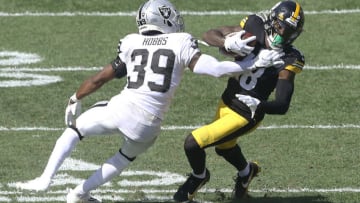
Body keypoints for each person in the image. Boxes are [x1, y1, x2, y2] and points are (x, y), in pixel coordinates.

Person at [15, 0, 284, 202]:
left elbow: (101, 78)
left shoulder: (132, 42)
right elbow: (214, 69)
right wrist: (252, 62)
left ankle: (45, 179)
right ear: (164, 17)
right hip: (149, 125)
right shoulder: (180, 41)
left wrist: (76, 96)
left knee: (75, 130)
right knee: (124, 157)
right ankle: (78, 195)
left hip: (122, 108)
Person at [173, 0, 305, 202]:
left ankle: (198, 177)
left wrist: (259, 104)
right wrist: (226, 42)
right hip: (227, 100)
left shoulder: (289, 58)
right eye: (280, 27)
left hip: (246, 114)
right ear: (271, 20)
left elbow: (282, 104)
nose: (282, 35)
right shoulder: (254, 28)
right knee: (224, 147)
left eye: (289, 32)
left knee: (193, 143)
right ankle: (246, 173)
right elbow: (209, 34)